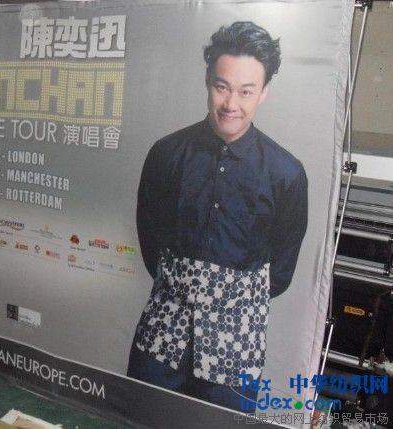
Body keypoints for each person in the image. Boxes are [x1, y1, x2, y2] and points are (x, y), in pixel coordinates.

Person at [127, 21, 308, 411]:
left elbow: (281, 269)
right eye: (222, 87)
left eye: (246, 91)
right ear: (208, 81)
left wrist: (227, 297)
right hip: (165, 323)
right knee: (141, 417)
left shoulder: (286, 174)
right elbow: (149, 236)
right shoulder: (166, 154)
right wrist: (185, 285)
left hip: (237, 336)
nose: (231, 104)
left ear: (264, 92)